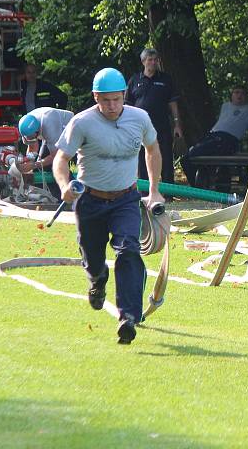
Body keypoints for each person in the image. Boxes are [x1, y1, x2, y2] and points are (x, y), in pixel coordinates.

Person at [53, 67, 164, 344]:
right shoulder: (82, 122)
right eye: (105, 100)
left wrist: (154, 191)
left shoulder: (140, 118)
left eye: (116, 99)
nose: (112, 106)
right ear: (95, 97)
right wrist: (65, 186)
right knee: (93, 257)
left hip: (126, 198)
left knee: (128, 249)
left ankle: (128, 317)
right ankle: (97, 279)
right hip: (90, 200)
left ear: (124, 95)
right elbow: (60, 160)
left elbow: (153, 150)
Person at [181, 85, 248, 188]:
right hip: (212, 136)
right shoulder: (226, 106)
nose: (239, 95)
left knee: (195, 156)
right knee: (186, 159)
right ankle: (199, 187)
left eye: (242, 93)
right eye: (236, 92)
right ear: (231, 95)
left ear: (246, 96)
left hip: (229, 140)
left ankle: (200, 189)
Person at [125, 48, 182, 186]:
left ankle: (168, 192)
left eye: (155, 60)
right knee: (142, 160)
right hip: (139, 128)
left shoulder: (166, 79)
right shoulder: (135, 80)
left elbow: (173, 103)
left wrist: (177, 124)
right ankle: (144, 192)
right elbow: (127, 104)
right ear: (143, 61)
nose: (153, 63)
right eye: (150, 60)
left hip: (162, 125)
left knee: (166, 158)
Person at [17, 107, 74, 173]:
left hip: (70, 129)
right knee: (42, 167)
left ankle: (70, 182)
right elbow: (32, 147)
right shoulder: (26, 124)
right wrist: (28, 161)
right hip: (50, 129)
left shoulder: (49, 127)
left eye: (32, 137)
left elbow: (56, 155)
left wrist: (33, 165)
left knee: (57, 166)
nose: (31, 139)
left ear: (37, 131)